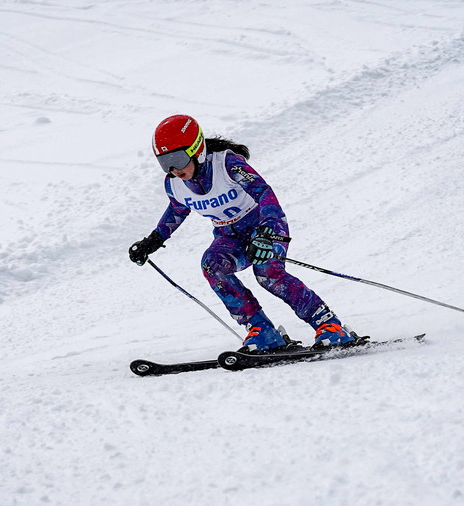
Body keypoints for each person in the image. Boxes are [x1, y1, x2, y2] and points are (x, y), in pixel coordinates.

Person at [128, 114, 358, 353]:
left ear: (197, 150)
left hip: (266, 224)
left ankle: (329, 325)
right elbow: (176, 211)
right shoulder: (174, 184)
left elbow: (264, 194)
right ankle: (262, 331)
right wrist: (152, 242)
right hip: (229, 236)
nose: (173, 169)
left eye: (177, 158)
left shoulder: (228, 165)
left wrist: (266, 234)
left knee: (268, 273)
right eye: (165, 162)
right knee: (212, 265)